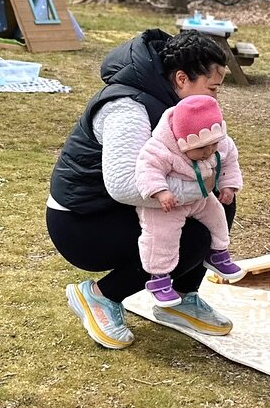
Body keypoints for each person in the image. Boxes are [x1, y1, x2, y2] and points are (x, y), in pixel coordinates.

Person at [48, 29, 235, 349]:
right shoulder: (126, 107)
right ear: (181, 78)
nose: (214, 98)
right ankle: (99, 296)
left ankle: (182, 299)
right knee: (193, 236)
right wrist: (198, 189)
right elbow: (122, 186)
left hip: (118, 206)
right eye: (212, 88)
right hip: (82, 222)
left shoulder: (171, 103)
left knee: (222, 201)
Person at [134, 94, 245, 304]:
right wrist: (160, 191)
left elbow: (230, 160)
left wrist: (228, 185)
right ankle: (159, 278)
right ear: (182, 141)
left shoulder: (217, 143)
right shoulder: (161, 148)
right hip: (168, 206)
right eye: (201, 149)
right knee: (161, 236)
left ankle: (218, 253)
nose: (209, 152)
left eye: (213, 146)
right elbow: (146, 168)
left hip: (198, 198)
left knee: (218, 216)